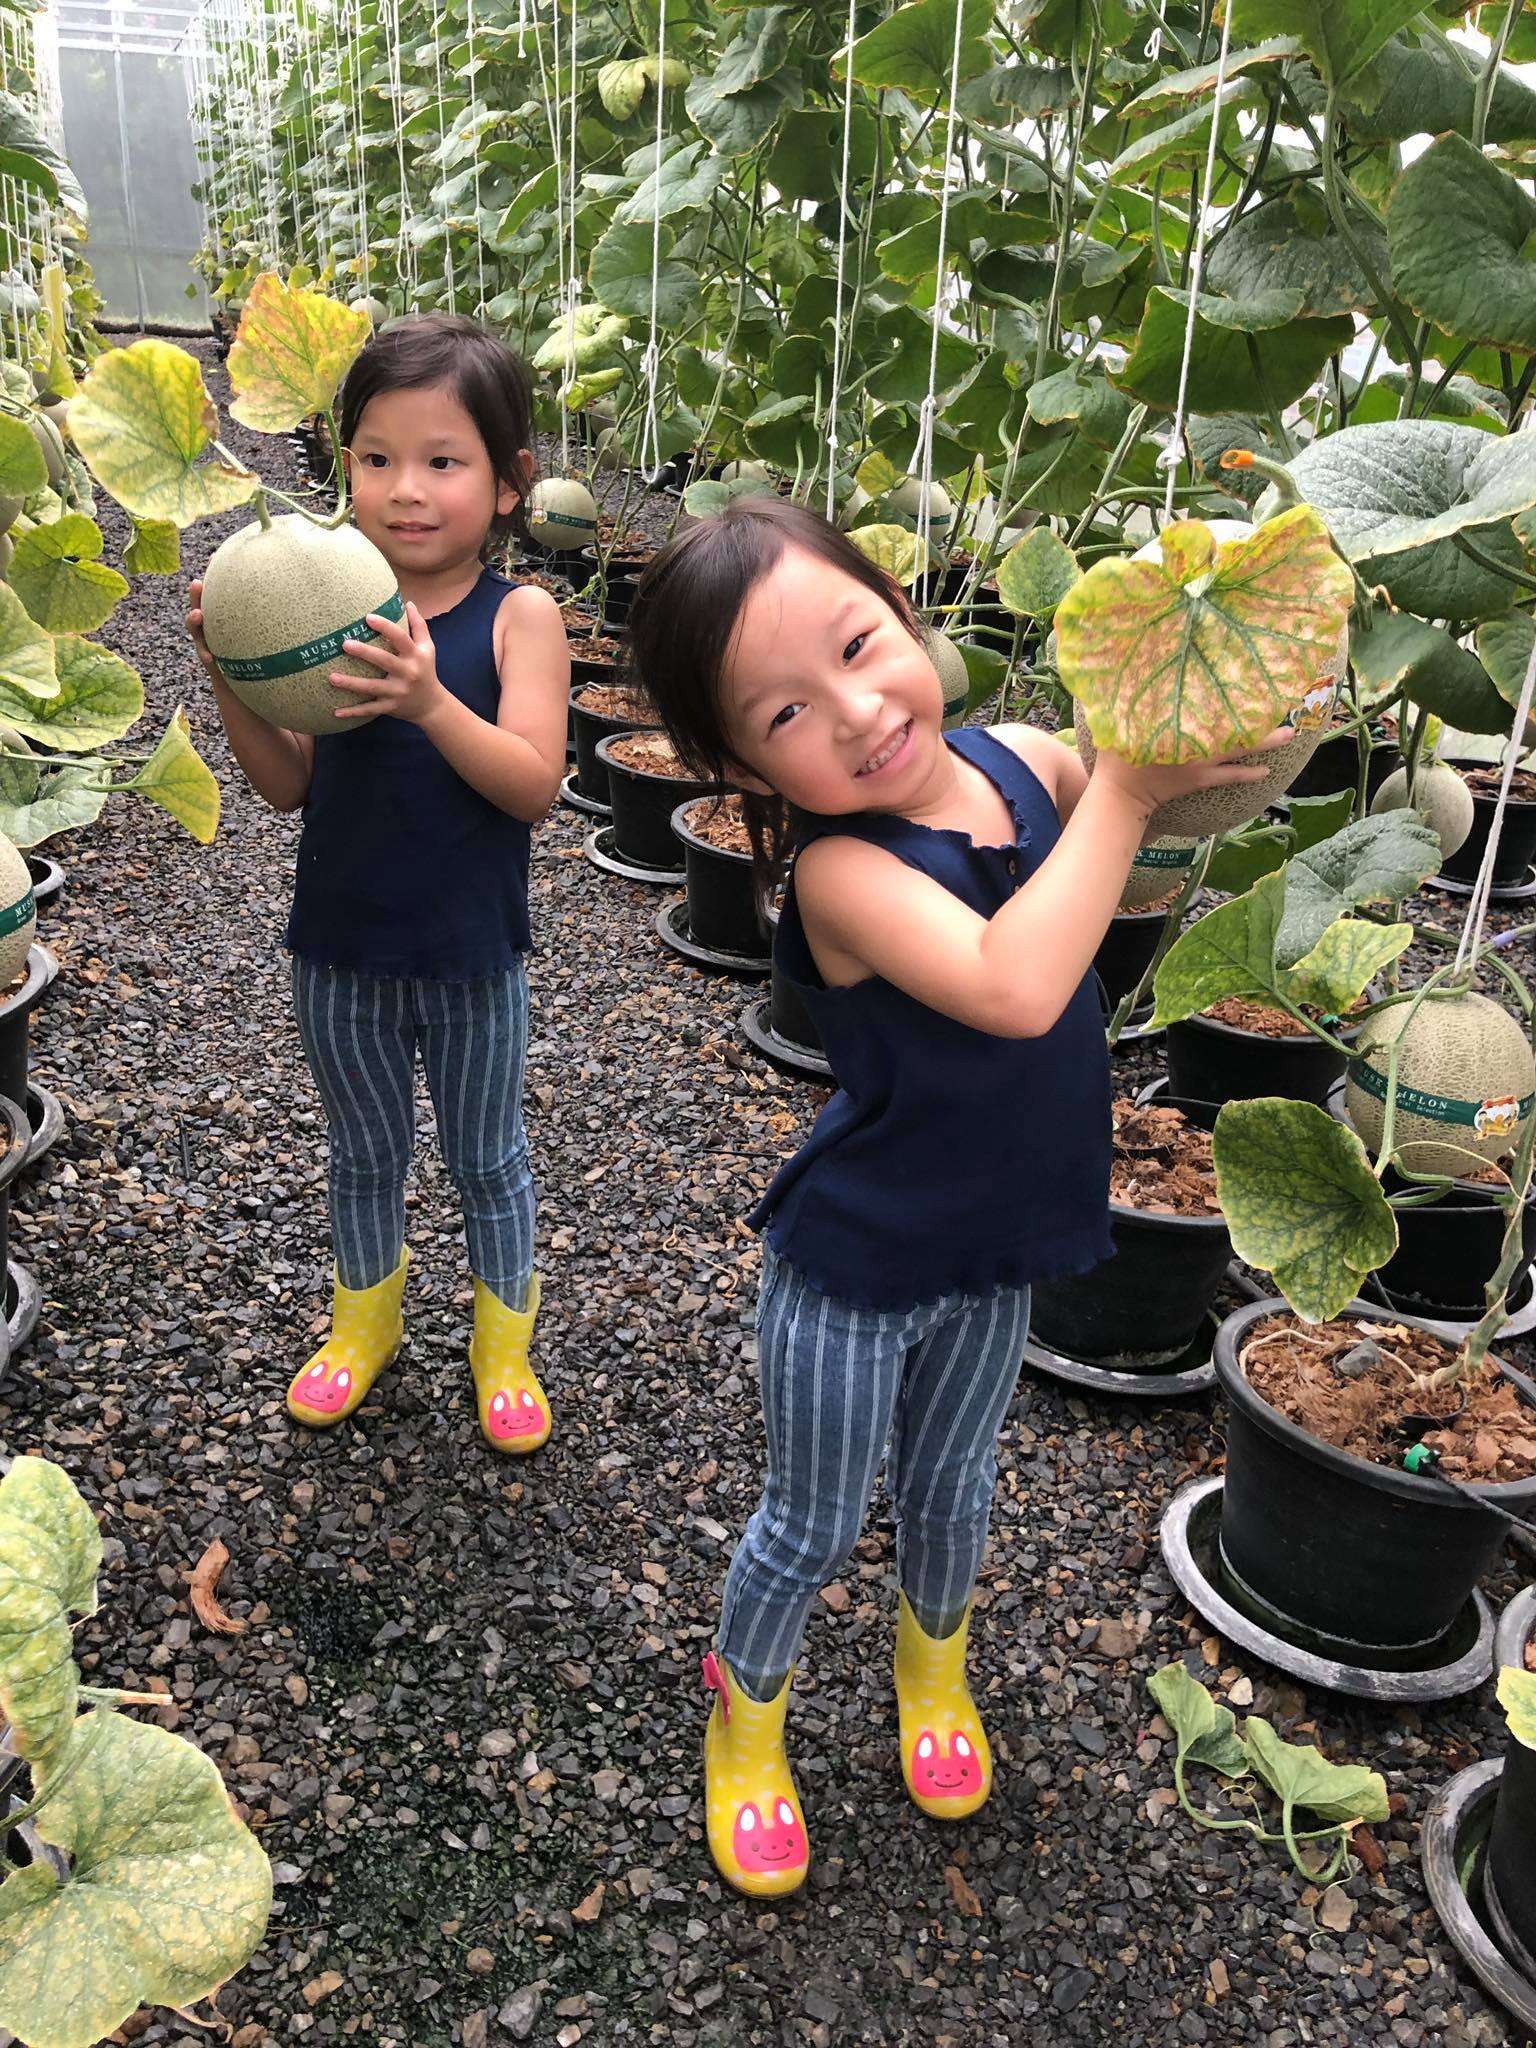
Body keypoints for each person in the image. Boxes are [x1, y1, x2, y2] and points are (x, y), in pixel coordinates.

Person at [627, 497, 1283, 1897]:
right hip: (856, 1271)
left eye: (859, 644)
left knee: (951, 1488)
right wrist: (1124, 793)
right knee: (811, 1520)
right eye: (787, 712)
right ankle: (746, 1714)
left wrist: (1222, 650)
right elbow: (1014, 983)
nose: (859, 711)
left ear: (906, 607)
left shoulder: (1030, 761)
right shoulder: (842, 875)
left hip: (992, 1251)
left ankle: (932, 1670)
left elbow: (1159, 818)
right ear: (740, 763)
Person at [186, 314, 569, 1452]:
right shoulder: (325, 609)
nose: (405, 489)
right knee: (362, 1155)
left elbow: (533, 785)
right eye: (376, 457)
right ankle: (366, 1324)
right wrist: (232, 678)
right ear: (344, 465)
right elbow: (287, 789)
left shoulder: (521, 617)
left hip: (472, 961)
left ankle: (502, 1345)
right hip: (338, 954)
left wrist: (429, 700)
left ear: (510, 483)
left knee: (488, 1158)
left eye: (443, 461)